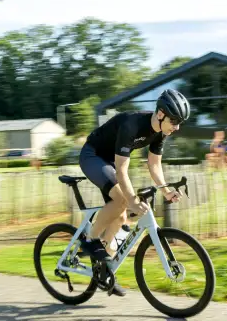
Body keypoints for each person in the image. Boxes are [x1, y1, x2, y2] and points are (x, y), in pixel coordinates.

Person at [77, 88, 190, 295]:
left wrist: (166, 192)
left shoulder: (160, 132)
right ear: (160, 114)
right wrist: (131, 200)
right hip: (92, 155)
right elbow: (121, 170)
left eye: (179, 122)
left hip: (109, 161)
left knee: (121, 219)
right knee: (122, 200)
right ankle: (90, 240)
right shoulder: (132, 125)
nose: (177, 127)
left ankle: (104, 271)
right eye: (174, 121)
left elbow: (154, 165)